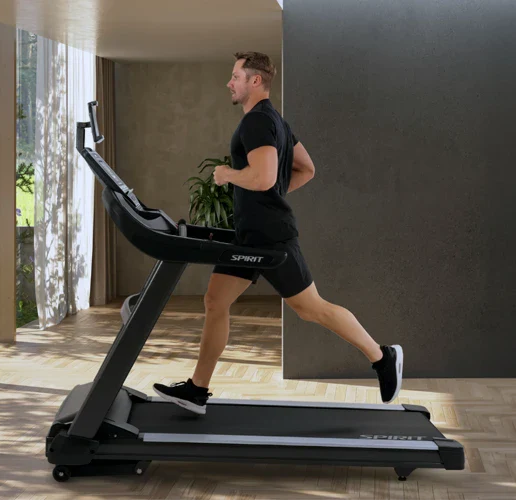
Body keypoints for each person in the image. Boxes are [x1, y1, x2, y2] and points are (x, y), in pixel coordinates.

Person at [152, 51, 402, 415]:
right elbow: (306, 169)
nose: (229, 83)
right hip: (249, 234)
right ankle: (197, 389)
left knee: (311, 309)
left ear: (255, 81)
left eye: (235, 76)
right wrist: (271, 194)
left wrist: (227, 175)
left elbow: (265, 177)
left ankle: (382, 357)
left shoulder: (257, 122)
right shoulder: (275, 122)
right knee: (215, 301)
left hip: (271, 236)